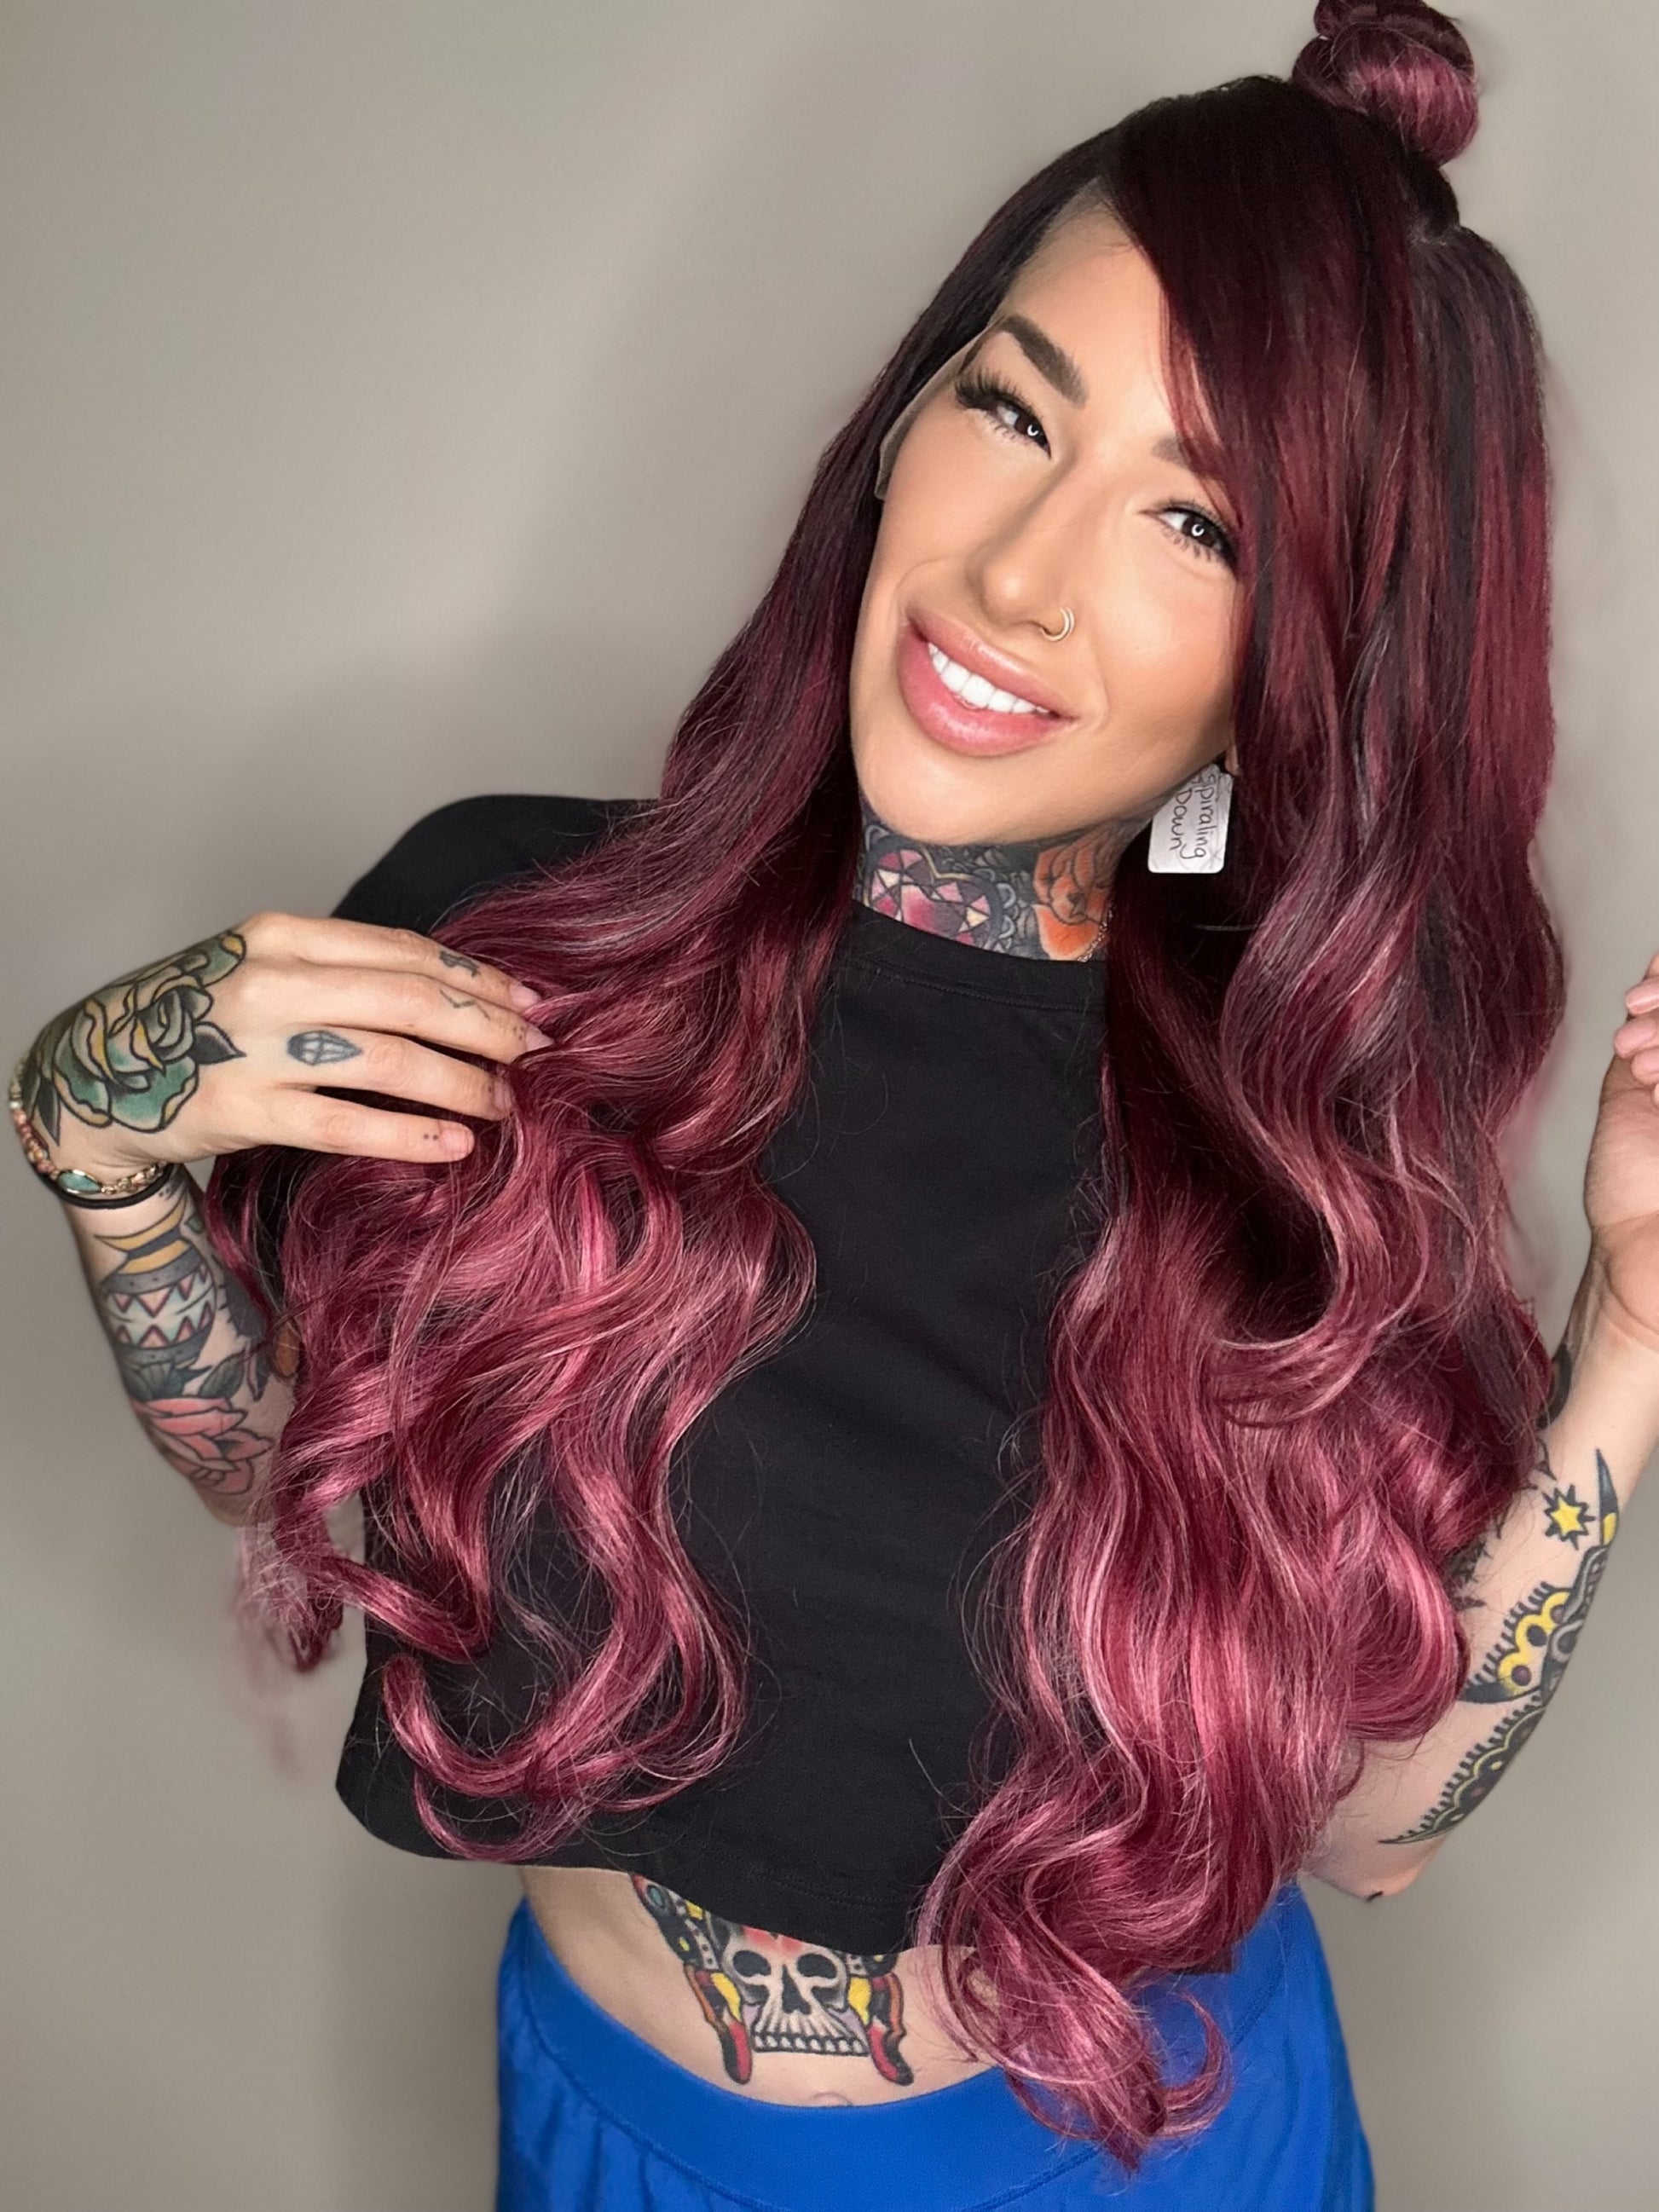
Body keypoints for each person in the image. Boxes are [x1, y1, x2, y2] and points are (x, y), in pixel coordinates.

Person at [13, 4, 1659, 2206]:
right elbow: (276, 1464)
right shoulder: (505, 938)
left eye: (1194, 521)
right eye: (1012, 408)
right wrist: (105, 1158)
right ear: (905, 417)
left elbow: (1368, 1833)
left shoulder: (1293, 1188)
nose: (1014, 574)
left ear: (1305, 666)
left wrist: (1629, 1336)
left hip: (1152, 2143)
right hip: (616, 2129)